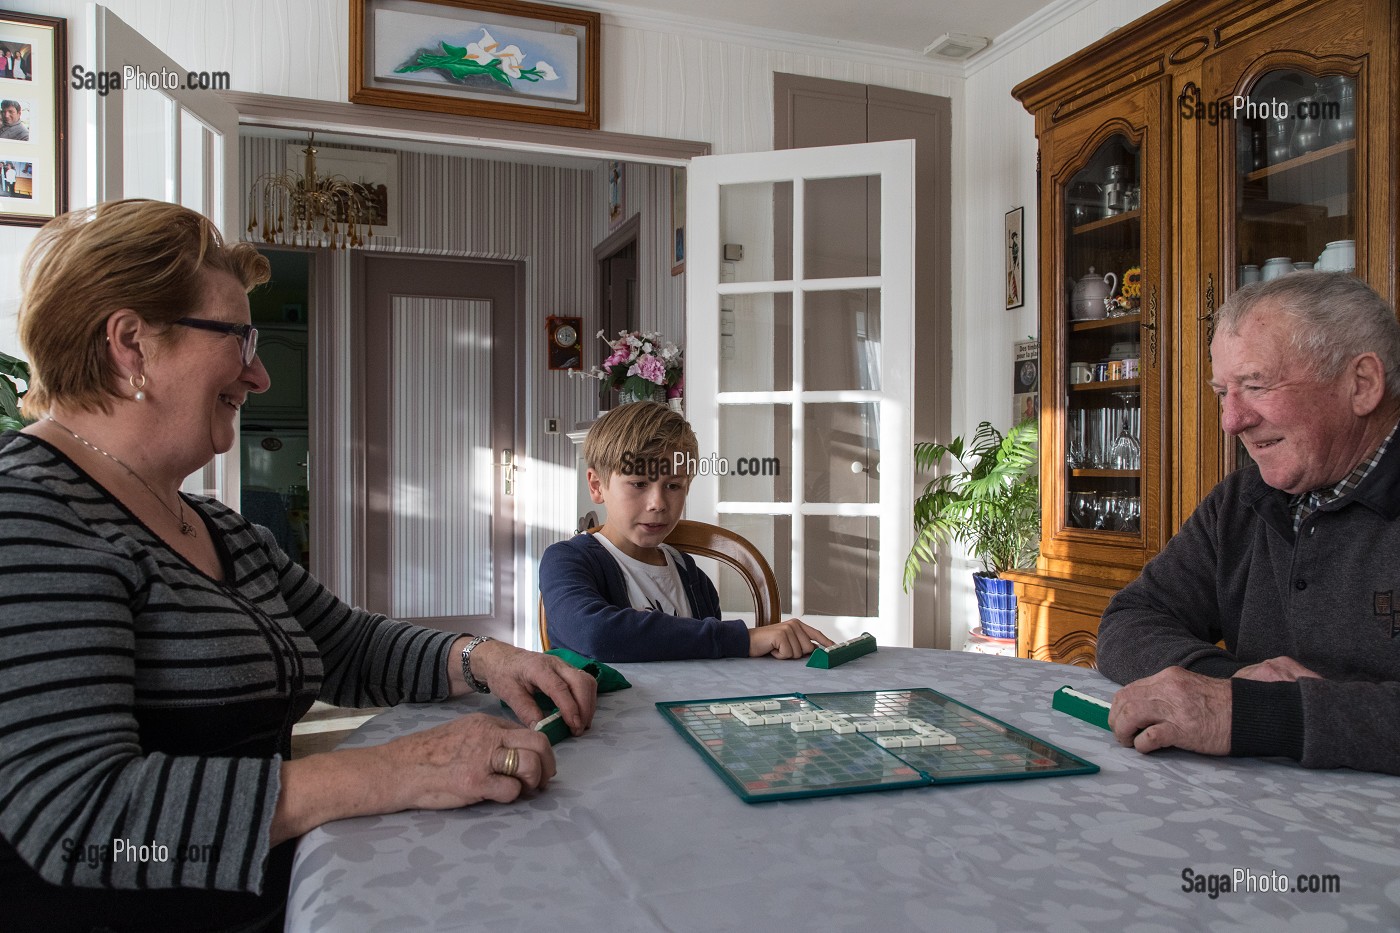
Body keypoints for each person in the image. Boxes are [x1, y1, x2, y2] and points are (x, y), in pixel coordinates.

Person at [0, 199, 598, 932]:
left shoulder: (218, 528)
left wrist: (483, 657)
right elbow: (82, 820)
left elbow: (344, 644)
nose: (259, 376)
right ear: (132, 343)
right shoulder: (27, 513)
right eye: (236, 338)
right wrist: (394, 769)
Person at [1098, 271, 1400, 776]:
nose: (1231, 421)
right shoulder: (1240, 501)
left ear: (1361, 384)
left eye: (1256, 386)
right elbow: (1129, 620)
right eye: (1223, 392)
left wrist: (1251, 713)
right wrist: (1226, 682)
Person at [539, 401, 833, 662]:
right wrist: (744, 639)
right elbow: (595, 635)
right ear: (596, 486)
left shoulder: (693, 577)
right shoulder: (566, 560)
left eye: (673, 485)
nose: (658, 503)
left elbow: (708, 669)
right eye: (639, 483)